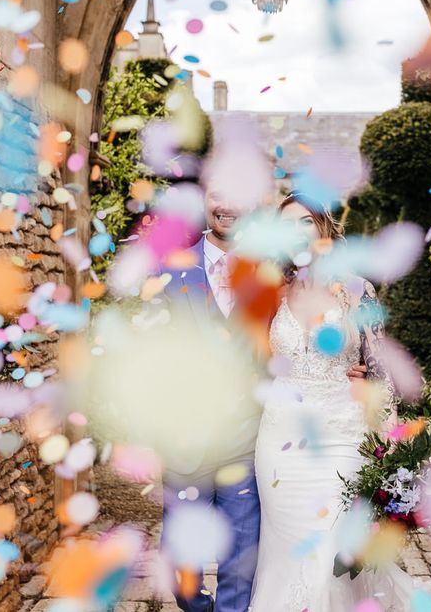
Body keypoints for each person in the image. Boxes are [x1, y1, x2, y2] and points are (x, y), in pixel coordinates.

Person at [157, 185, 371, 612]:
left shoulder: (269, 276)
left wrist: (359, 372)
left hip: (251, 439)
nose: (228, 205)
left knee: (243, 564)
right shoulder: (168, 272)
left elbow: (314, 343)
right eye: (219, 192)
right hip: (185, 442)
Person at [249, 192, 431, 611]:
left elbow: (381, 375)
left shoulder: (356, 291)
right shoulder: (272, 291)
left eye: (305, 221)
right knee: (288, 554)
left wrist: (391, 451)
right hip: (280, 441)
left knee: (334, 548)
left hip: (340, 435)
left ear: (323, 227)